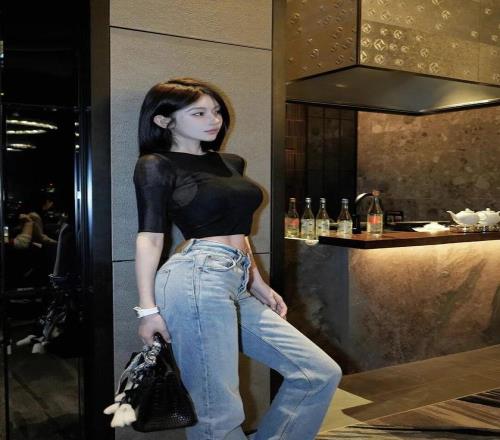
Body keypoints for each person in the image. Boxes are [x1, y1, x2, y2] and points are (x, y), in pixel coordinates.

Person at [133, 78, 342, 440]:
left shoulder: (229, 162)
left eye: (215, 111)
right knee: (218, 411)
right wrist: (147, 310)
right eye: (198, 113)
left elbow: (238, 227)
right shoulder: (156, 165)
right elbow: (151, 237)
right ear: (164, 121)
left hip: (235, 278)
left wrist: (257, 281)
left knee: (317, 373)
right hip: (195, 276)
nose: (213, 120)